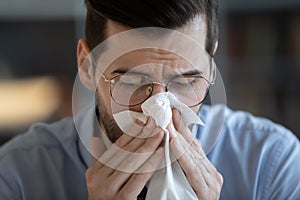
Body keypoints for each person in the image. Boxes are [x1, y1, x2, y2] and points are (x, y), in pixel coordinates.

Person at [0, 0, 299, 199]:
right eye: (131, 81)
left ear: (211, 68)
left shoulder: (272, 165)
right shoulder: (18, 178)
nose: (161, 113)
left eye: (185, 81)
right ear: (87, 67)